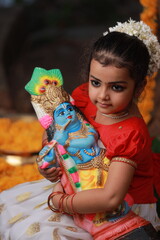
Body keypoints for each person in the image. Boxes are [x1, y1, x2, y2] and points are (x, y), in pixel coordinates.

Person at [39, 19, 160, 232]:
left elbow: (110, 198)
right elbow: (58, 133)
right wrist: (52, 163)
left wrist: (61, 202)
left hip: (119, 210)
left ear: (139, 87)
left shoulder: (130, 134)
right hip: (80, 185)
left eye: (117, 87)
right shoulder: (84, 97)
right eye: (96, 82)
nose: (102, 96)